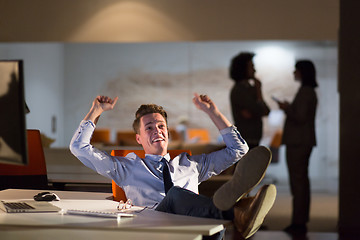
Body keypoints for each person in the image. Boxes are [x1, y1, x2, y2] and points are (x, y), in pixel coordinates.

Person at [70, 93, 276, 240]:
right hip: (152, 229)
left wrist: (213, 112)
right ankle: (237, 212)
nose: (157, 131)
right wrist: (96, 110)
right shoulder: (126, 167)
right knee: (176, 195)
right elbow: (79, 147)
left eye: (161, 126)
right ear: (139, 138)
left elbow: (239, 149)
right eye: (149, 128)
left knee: (209, 224)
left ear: (167, 133)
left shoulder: (191, 165)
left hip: (195, 231)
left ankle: (230, 212)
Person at [275, 60, 318, 235]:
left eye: (296, 70)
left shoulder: (306, 92)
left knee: (298, 183)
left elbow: (300, 117)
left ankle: (299, 221)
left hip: (298, 142)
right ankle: (300, 220)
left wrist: (287, 108)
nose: (294, 73)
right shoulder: (308, 91)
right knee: (301, 182)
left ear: (302, 72)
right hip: (302, 141)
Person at [229, 52, 270, 149]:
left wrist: (258, 91)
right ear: (243, 69)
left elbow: (266, 111)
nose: (254, 70)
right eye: (251, 67)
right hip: (245, 138)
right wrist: (258, 92)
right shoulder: (239, 90)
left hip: (253, 137)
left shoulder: (251, 88)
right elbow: (259, 110)